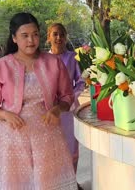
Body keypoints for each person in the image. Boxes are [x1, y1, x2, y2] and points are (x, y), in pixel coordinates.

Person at [0, 12, 78, 190]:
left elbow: (67, 96)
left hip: (47, 136)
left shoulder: (54, 63)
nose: (31, 40)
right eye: (24, 36)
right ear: (14, 38)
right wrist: (5, 115)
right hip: (12, 137)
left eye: (35, 34)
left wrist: (57, 109)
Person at [47, 24, 85, 174]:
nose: (59, 38)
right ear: (48, 37)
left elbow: (81, 82)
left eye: (62, 34)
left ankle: (71, 182)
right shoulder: (43, 59)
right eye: (55, 34)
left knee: (71, 147)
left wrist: (70, 99)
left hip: (69, 111)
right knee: (51, 148)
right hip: (49, 110)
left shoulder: (73, 58)